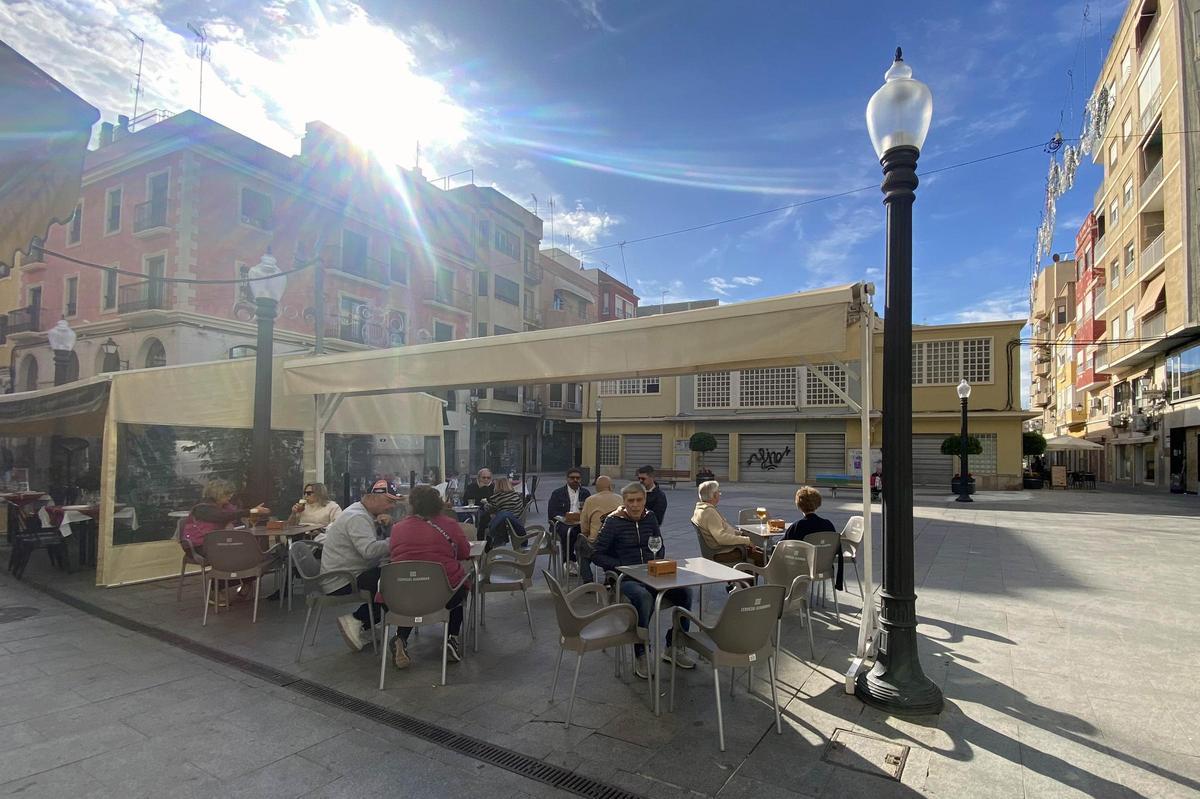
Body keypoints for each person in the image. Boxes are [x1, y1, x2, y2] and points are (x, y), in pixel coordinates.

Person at [591, 482, 695, 679]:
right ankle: (641, 652)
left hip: (652, 573)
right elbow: (597, 554)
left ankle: (673, 646)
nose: (635, 505)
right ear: (624, 502)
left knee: (685, 593)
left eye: (639, 500)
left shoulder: (650, 518)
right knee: (643, 597)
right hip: (626, 577)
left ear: (645, 500)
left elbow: (659, 543)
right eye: (631, 501)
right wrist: (621, 565)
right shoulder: (613, 522)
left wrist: (657, 558)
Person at [387, 484, 473, 668]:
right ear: (438, 503)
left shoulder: (398, 528)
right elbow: (465, 553)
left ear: (412, 504)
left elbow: (392, 553)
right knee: (459, 586)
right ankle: (451, 638)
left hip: (403, 594)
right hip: (443, 595)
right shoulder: (449, 524)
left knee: (415, 590)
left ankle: (401, 637)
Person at [321, 479, 401, 652]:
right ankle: (357, 620)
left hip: (348, 573)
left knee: (390, 577)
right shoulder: (357, 517)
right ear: (371, 497)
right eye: (389, 501)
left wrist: (389, 527)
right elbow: (369, 550)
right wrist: (396, 540)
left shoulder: (362, 513)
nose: (392, 506)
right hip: (341, 580)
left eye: (394, 502)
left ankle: (365, 625)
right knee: (396, 583)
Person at [181, 479, 269, 556]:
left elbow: (235, 514)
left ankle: (247, 571)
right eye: (227, 494)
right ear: (217, 494)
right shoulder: (202, 508)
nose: (230, 496)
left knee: (247, 547)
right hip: (198, 546)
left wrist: (253, 512)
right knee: (243, 549)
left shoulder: (224, 505)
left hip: (216, 542)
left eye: (230, 494)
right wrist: (252, 511)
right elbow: (223, 516)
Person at [691, 480, 763, 566]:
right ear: (713, 495)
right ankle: (755, 577)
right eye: (718, 492)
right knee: (762, 557)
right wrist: (746, 541)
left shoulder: (701, 509)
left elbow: (722, 529)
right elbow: (721, 538)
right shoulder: (709, 512)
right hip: (722, 552)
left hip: (721, 548)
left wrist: (739, 533)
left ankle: (749, 577)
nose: (719, 494)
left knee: (759, 551)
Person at [783, 485, 841, 589]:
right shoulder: (828, 524)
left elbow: (783, 546)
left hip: (802, 569)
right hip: (825, 567)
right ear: (817, 504)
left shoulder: (797, 526)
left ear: (799, 505)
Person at [548, 468, 591, 576]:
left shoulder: (585, 493)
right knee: (568, 532)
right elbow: (552, 513)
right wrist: (565, 518)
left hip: (580, 523)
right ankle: (569, 560)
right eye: (572, 478)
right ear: (567, 479)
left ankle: (581, 562)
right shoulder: (557, 493)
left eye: (578, 478)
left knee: (585, 534)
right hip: (561, 523)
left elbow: (589, 510)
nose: (575, 480)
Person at [578, 475, 621, 582]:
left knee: (580, 547)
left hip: (597, 543)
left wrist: (587, 534)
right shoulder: (620, 498)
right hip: (617, 541)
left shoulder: (590, 500)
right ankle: (610, 577)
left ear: (597, 488)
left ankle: (588, 580)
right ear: (611, 487)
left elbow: (584, 526)